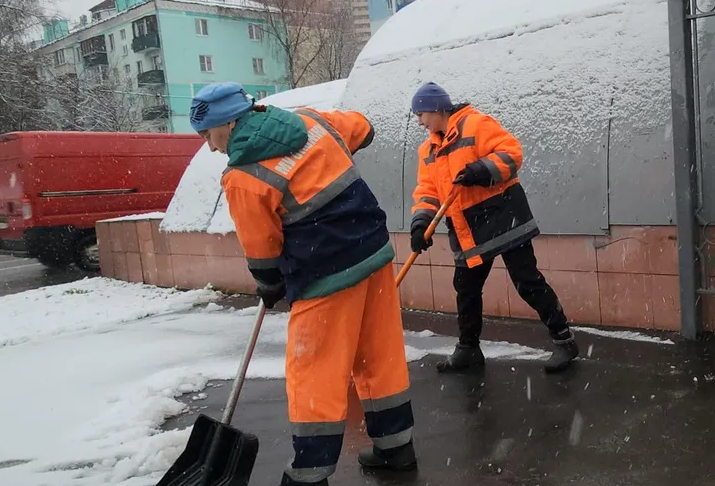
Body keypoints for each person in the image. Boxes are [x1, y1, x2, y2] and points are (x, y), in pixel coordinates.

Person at [189, 82, 416, 486]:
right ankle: (396, 447)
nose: (209, 146)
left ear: (229, 122)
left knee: (315, 372)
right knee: (379, 354)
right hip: (373, 253)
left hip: (323, 274)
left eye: (208, 134)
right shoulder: (312, 121)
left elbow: (262, 246)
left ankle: (310, 473)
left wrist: (269, 283)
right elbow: (363, 128)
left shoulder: (244, 176)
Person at [409, 82, 579, 374]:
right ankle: (468, 349)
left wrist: (480, 170)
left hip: (504, 217)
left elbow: (511, 153)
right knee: (466, 288)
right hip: (467, 228)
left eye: (420, 114)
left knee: (527, 281)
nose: (419, 122)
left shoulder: (476, 123)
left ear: (435, 108)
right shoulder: (428, 150)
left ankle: (564, 340)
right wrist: (420, 223)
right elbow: (427, 191)